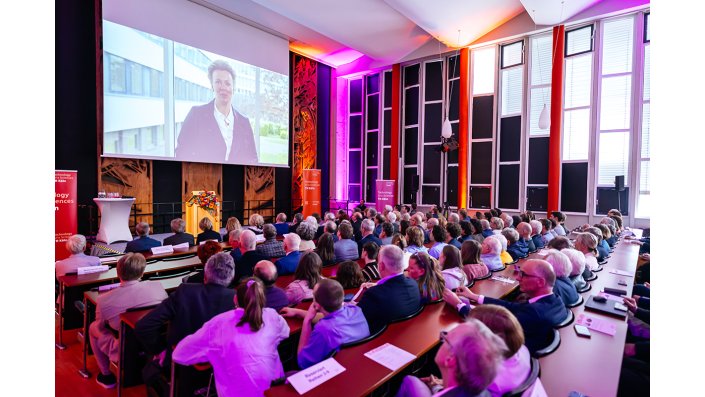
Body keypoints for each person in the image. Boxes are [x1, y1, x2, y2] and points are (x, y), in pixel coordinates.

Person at [134, 253, 235, 396]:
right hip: (221, 369)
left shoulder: (185, 292)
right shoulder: (236, 299)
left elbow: (144, 326)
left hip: (180, 364)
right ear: (230, 278)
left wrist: (160, 350)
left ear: (205, 275)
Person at [172, 278, 290, 396]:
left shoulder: (218, 325)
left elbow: (179, 354)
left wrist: (212, 354)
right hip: (274, 390)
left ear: (235, 299)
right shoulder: (272, 316)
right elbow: (286, 333)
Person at [443, 259, 569, 353]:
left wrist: (458, 304)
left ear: (540, 282)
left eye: (523, 275)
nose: (518, 278)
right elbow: (511, 306)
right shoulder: (555, 300)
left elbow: (487, 325)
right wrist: (475, 297)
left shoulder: (534, 313)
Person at [89, 253, 168, 388]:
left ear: (118, 271)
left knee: (93, 327)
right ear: (142, 272)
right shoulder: (157, 287)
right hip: (157, 343)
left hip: (125, 347)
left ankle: (106, 375)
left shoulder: (103, 300)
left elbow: (101, 326)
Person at [174, 60, 258, 164]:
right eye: (218, 82)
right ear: (212, 86)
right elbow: (182, 152)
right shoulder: (196, 115)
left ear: (233, 88)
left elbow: (253, 158)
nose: (223, 87)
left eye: (227, 83)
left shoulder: (244, 122)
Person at [398, 319, 508, 397]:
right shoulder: (486, 390)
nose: (442, 336)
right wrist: (438, 386)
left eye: (446, 337)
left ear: (450, 359)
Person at [280, 279, 370, 369]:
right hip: (357, 363)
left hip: (334, 374)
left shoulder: (323, 330)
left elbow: (302, 362)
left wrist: (307, 321)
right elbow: (333, 317)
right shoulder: (355, 310)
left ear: (317, 305)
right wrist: (297, 312)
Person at [357, 245, 421, 333]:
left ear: (382, 265)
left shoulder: (373, 295)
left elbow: (356, 320)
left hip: (380, 341)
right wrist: (378, 285)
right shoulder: (413, 284)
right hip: (409, 334)